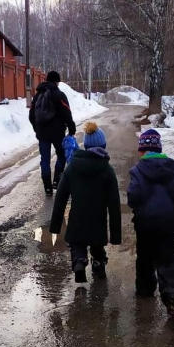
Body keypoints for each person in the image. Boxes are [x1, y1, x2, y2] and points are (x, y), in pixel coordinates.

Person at [50, 121, 122, 283]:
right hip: (98, 219)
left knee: (77, 244)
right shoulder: (107, 170)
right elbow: (114, 204)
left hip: (77, 218)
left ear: (85, 145)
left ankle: (79, 262)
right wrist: (116, 236)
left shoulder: (73, 166)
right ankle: (98, 264)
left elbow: (61, 197)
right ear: (104, 146)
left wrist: (55, 226)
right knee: (97, 246)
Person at [127, 129, 174, 316]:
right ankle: (170, 292)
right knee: (169, 258)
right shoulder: (172, 168)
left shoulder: (137, 170)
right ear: (159, 148)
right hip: (168, 223)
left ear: (141, 151)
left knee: (145, 257)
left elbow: (133, 197)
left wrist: (136, 202)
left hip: (145, 224)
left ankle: (145, 289)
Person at [29, 70, 76, 196]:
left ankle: (47, 188)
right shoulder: (58, 95)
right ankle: (57, 180)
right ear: (56, 82)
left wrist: (36, 128)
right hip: (57, 133)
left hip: (42, 133)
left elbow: (31, 116)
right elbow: (66, 113)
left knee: (45, 159)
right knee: (61, 155)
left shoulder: (37, 96)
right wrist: (71, 128)